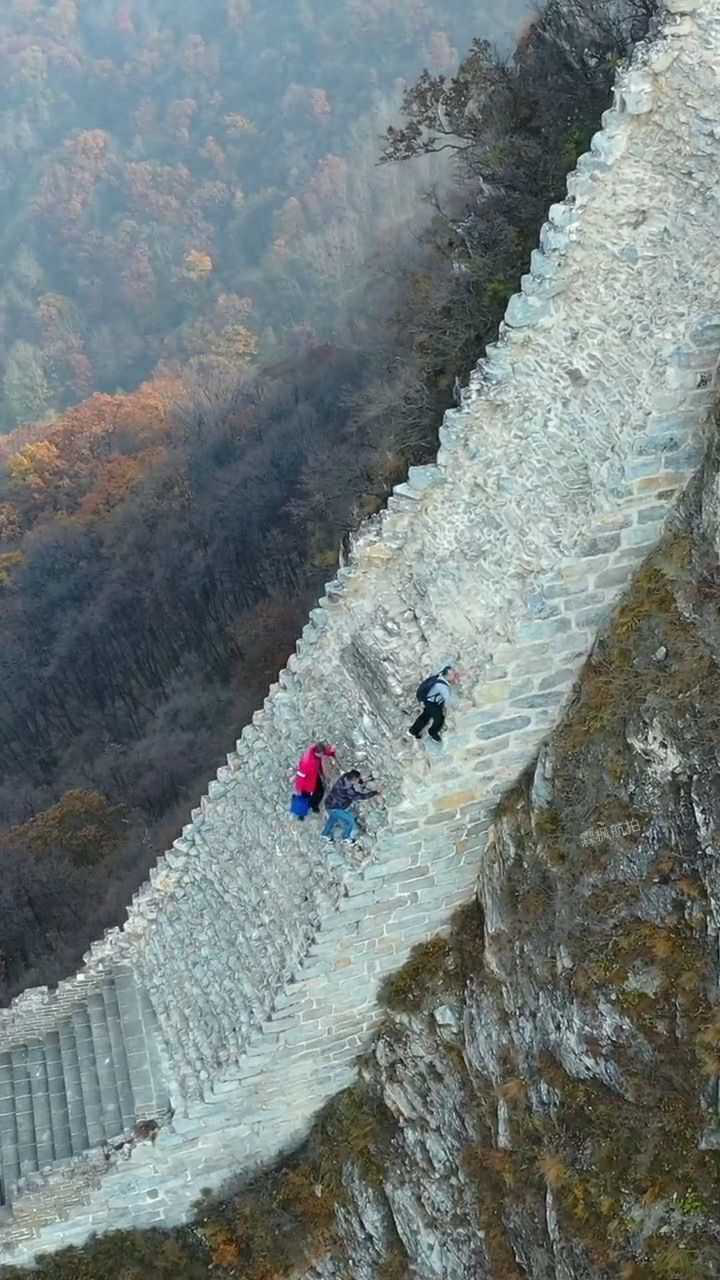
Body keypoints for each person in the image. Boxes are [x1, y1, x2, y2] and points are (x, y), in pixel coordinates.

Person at [321, 770, 379, 844]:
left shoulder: (345, 777)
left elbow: (354, 780)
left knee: (333, 819)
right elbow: (359, 796)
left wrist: (361, 781)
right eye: (358, 778)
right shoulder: (348, 789)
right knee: (351, 823)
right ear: (354, 779)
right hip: (337, 807)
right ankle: (346, 838)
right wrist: (374, 793)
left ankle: (325, 834)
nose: (359, 779)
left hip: (329, 802)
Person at [408, 663, 459, 742]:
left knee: (426, 716)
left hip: (428, 701)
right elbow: (448, 700)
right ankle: (433, 732)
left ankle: (413, 731)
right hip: (432, 704)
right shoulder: (442, 686)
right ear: (447, 676)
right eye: (452, 674)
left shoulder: (439, 677)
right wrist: (455, 707)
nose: (454, 675)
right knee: (439, 718)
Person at [294, 741, 336, 815]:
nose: (322, 755)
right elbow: (300, 775)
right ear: (317, 753)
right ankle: (311, 806)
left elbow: (325, 752)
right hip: (308, 780)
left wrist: (331, 752)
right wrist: (299, 787)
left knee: (320, 790)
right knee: (317, 792)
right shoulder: (307, 763)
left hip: (314, 774)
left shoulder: (315, 749)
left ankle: (311, 804)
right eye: (321, 754)